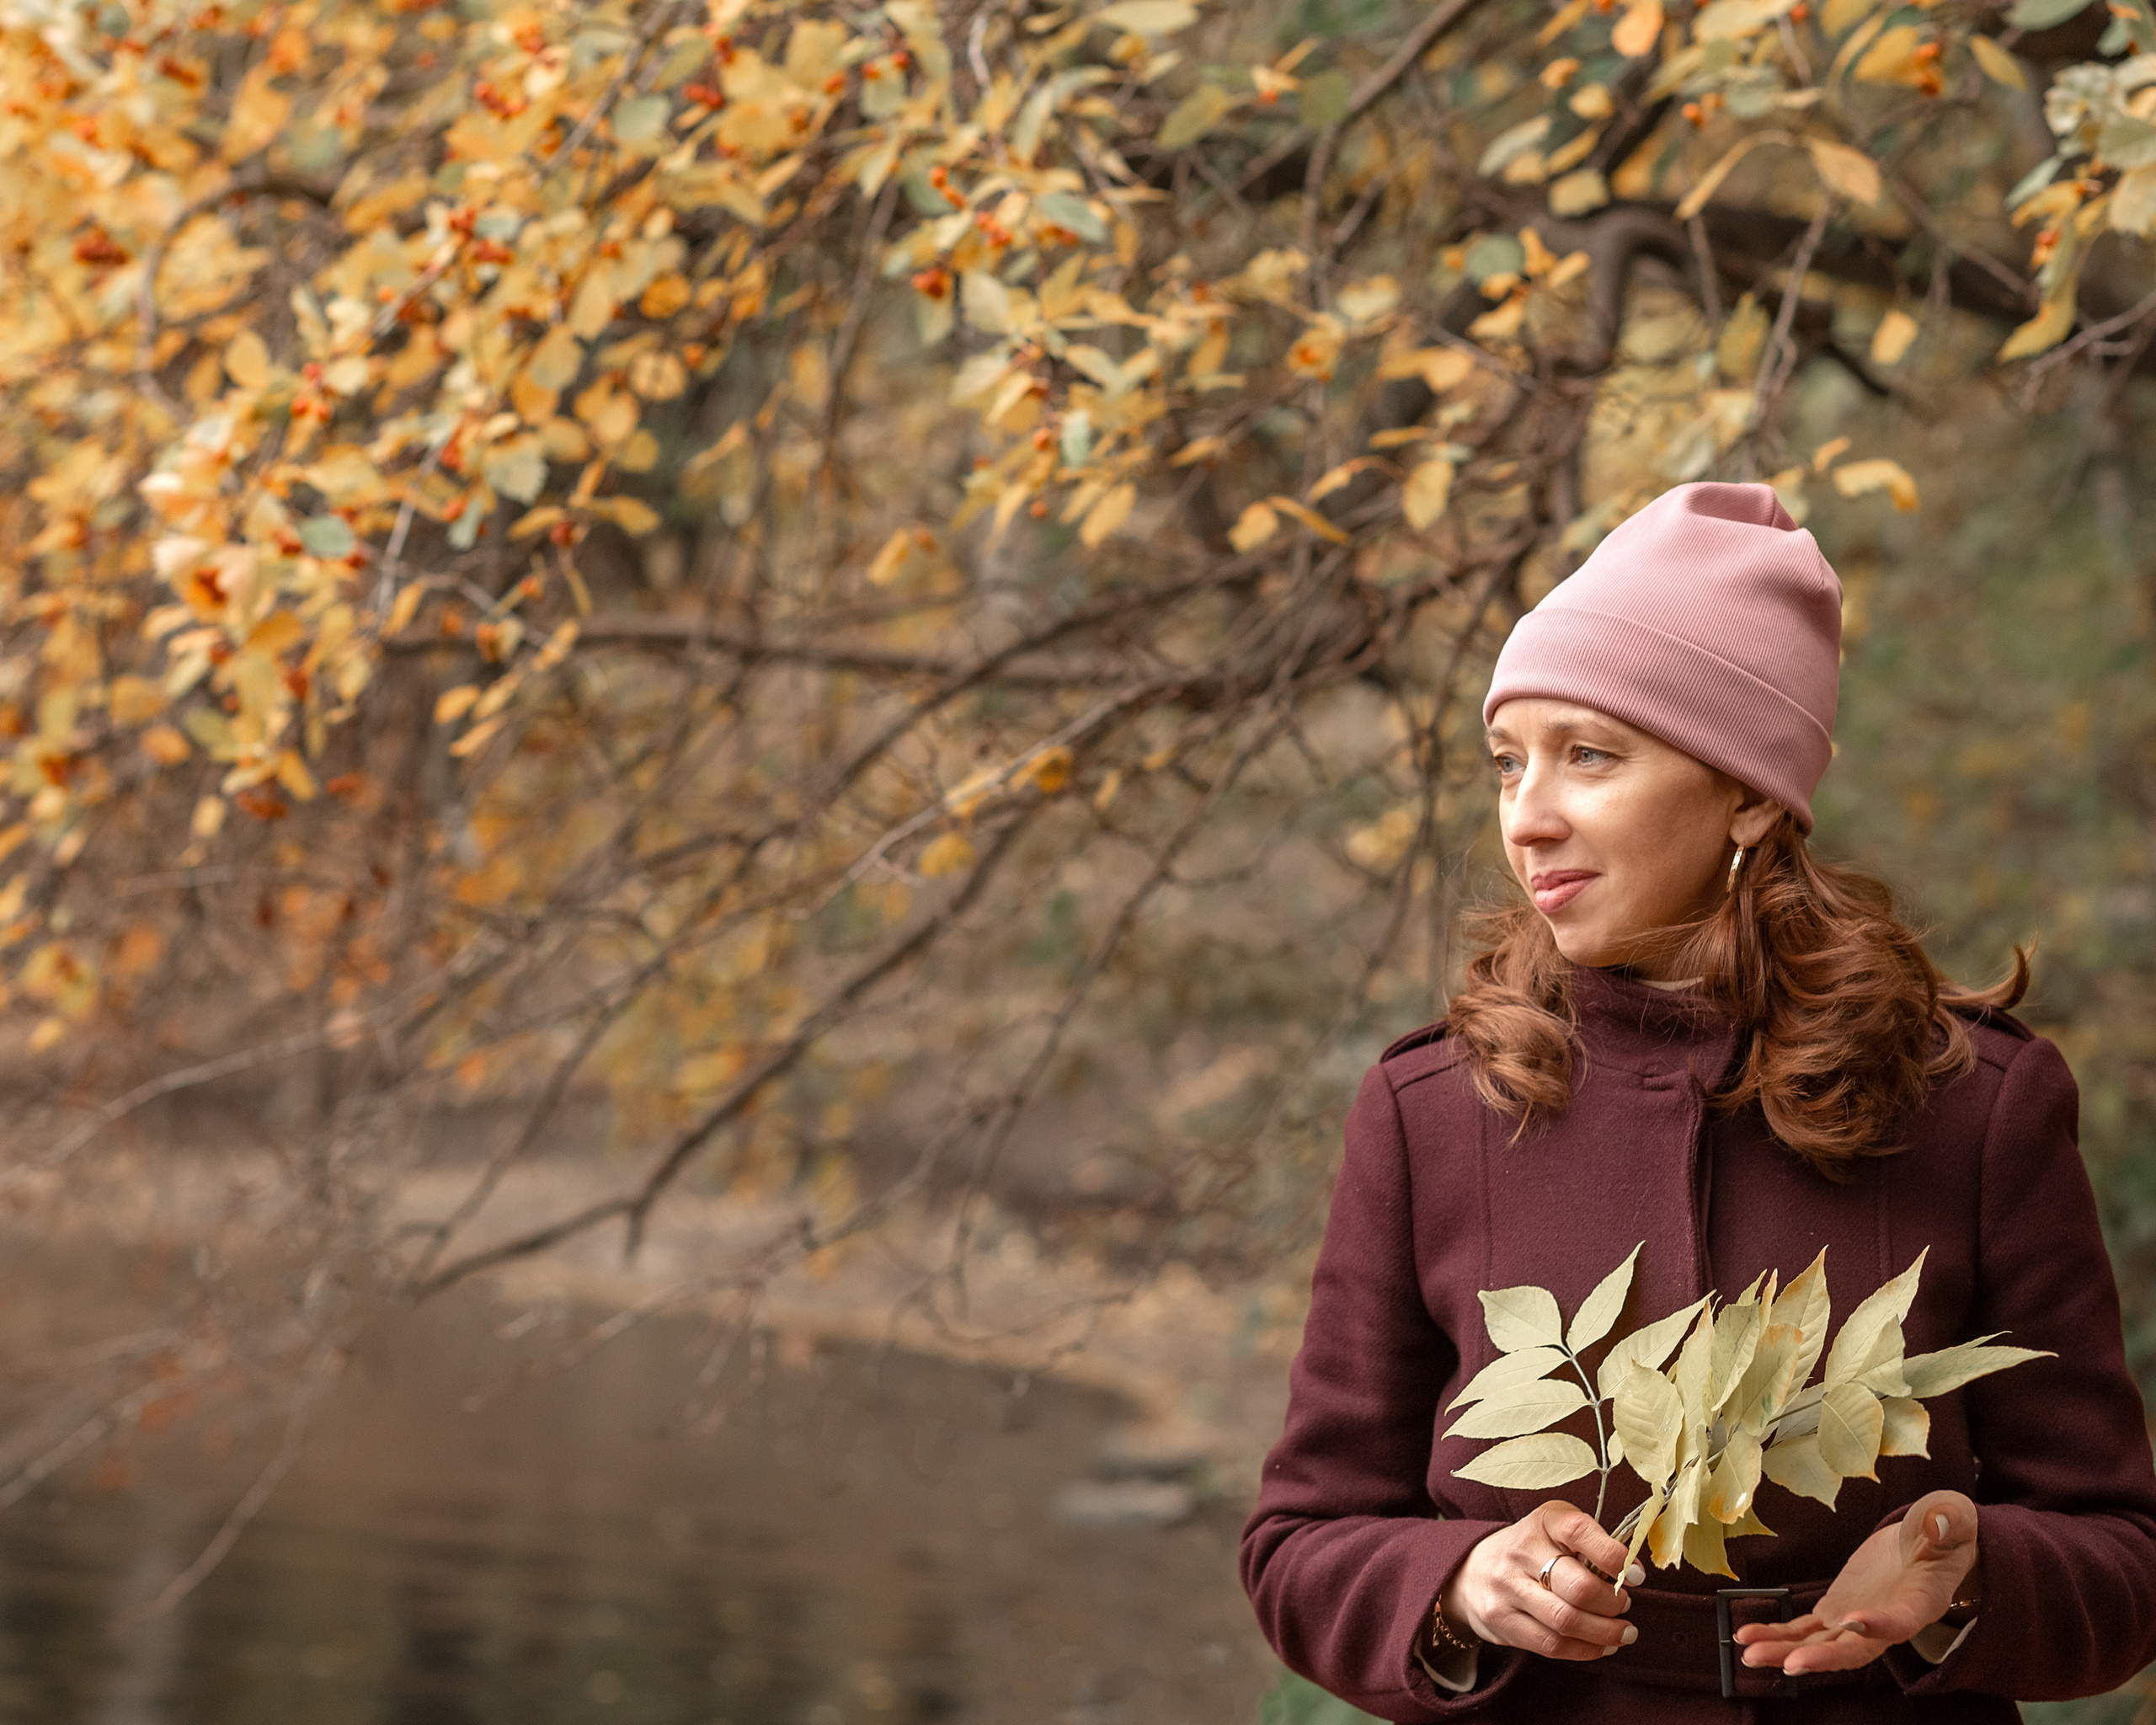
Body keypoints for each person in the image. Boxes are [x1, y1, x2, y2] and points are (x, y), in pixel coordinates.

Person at [1239, 482, 2156, 1722]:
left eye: (1591, 757)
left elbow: (2120, 1561)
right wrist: (1461, 1580)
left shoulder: (1972, 1105)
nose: (1529, 815)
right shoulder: (1434, 1111)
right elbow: (1301, 1544)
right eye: (1510, 763)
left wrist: (1971, 1572)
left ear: (1748, 794)